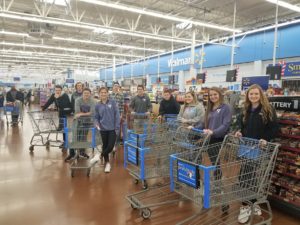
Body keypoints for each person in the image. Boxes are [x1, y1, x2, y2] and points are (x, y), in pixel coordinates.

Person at [235, 84, 278, 224]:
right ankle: (252, 203)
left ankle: (245, 205)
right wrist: (239, 131)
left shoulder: (268, 109)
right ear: (247, 95)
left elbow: (274, 128)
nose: (253, 96)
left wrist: (265, 139)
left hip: (259, 148)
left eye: (256, 94)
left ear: (261, 95)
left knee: (247, 175)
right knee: (248, 175)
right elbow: (241, 125)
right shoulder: (246, 109)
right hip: (245, 146)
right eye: (251, 94)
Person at [65, 88, 96, 162]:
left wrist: (81, 114)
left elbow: (92, 112)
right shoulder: (78, 100)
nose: (86, 94)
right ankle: (72, 154)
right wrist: (86, 114)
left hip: (87, 122)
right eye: (85, 93)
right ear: (82, 93)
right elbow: (77, 111)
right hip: (77, 122)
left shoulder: (93, 101)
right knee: (75, 137)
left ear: (90, 94)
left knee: (83, 137)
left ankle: (82, 152)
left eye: (88, 93)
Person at [95, 87, 120, 173]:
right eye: (101, 92)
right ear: (99, 94)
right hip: (103, 129)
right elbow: (96, 117)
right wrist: (97, 124)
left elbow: (117, 115)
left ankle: (99, 156)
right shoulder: (98, 105)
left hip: (112, 129)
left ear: (107, 93)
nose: (103, 94)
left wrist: (117, 127)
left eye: (105, 92)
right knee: (105, 146)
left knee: (110, 146)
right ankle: (107, 163)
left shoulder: (113, 102)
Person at [110, 82, 124, 148]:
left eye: (117, 86)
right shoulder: (109, 95)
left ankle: (117, 143)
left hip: (118, 115)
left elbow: (122, 106)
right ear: (113, 87)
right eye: (115, 86)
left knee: (117, 129)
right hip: (110, 115)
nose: (116, 87)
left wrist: (121, 115)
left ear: (118, 87)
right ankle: (111, 142)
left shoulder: (121, 95)